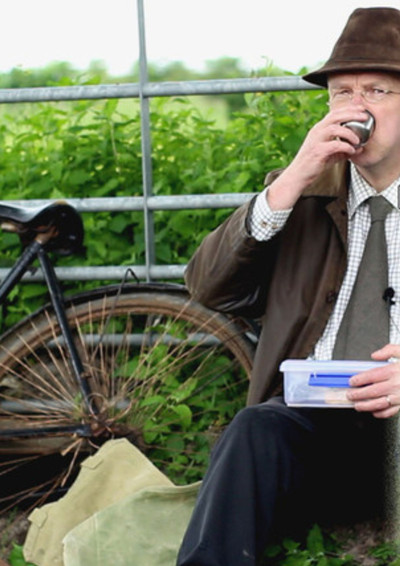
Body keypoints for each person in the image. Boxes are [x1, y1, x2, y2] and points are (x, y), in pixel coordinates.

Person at [176, 7, 400, 566]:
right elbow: (208, 289)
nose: (355, 108)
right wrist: (292, 180)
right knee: (256, 428)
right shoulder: (301, 194)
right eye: (341, 93)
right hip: (321, 423)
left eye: (377, 91)